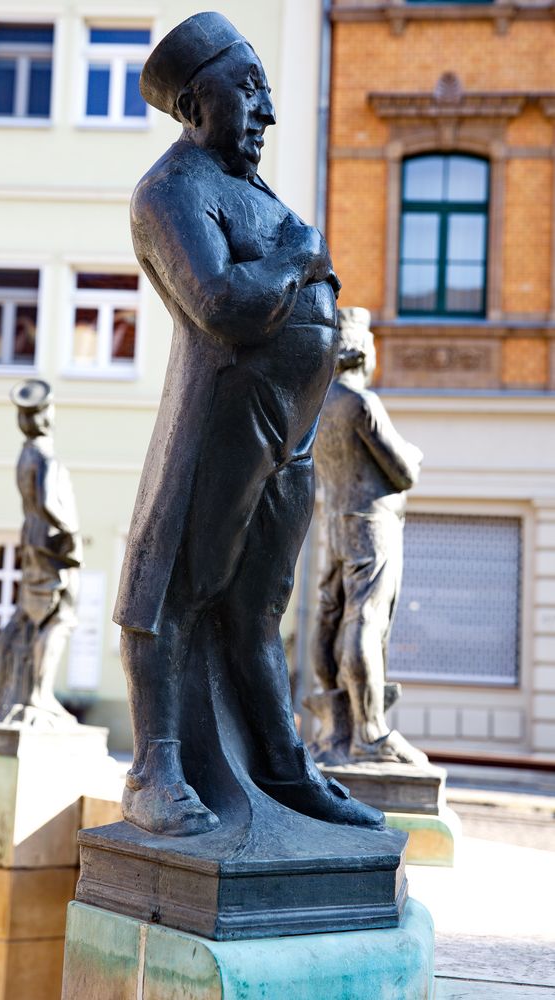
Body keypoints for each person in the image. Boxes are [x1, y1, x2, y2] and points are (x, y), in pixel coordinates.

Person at [114, 12, 384, 835]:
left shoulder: (250, 186)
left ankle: (282, 764)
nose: (265, 108)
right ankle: (154, 767)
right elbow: (222, 306)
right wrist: (297, 258)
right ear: (197, 101)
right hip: (222, 419)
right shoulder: (171, 190)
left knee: (259, 605)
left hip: (290, 433)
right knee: (172, 589)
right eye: (250, 88)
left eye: (267, 88)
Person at [312, 308, 428, 765]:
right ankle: (370, 732)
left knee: (332, 616)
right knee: (366, 619)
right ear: (362, 351)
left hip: (337, 524)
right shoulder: (362, 404)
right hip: (372, 525)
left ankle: (335, 729)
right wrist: (414, 457)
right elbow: (402, 472)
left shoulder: (320, 408)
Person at [0, 379, 81, 727]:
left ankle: (17, 696)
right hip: (52, 546)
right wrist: (71, 534)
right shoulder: (44, 456)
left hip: (32, 541)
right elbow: (49, 499)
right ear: (47, 414)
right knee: (59, 618)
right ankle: (40, 696)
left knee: (29, 617)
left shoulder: (25, 454)